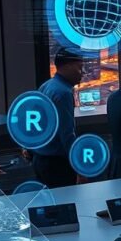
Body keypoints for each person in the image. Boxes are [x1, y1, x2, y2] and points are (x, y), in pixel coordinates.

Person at [32, 49, 83, 188]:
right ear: (67, 66)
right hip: (57, 165)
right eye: (80, 67)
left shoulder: (46, 86)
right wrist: (79, 166)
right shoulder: (63, 93)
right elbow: (67, 134)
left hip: (41, 160)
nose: (82, 73)